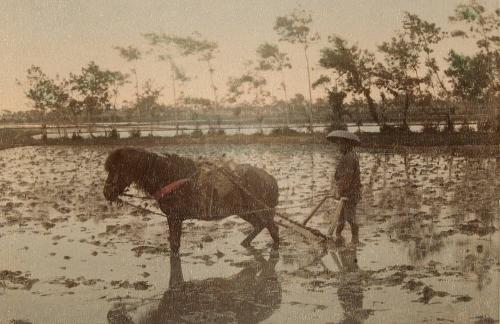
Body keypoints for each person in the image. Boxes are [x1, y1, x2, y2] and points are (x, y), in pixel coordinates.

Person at [327, 130, 362, 244]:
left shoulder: (350, 158)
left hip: (350, 193)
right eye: (338, 144)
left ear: (347, 145)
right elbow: (340, 177)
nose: (338, 146)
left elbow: (347, 178)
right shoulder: (347, 156)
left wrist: (338, 191)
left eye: (340, 144)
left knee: (350, 217)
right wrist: (336, 189)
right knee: (341, 217)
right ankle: (338, 236)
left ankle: (355, 238)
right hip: (346, 192)